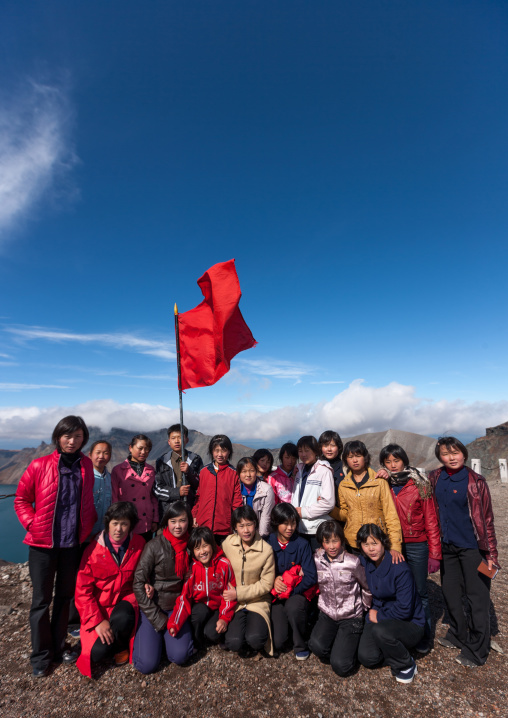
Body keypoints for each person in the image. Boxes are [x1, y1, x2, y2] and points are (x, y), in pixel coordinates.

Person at [14, 415, 97, 677]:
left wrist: (88, 525)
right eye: (67, 436)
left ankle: (59, 645)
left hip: (72, 544)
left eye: (78, 436)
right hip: (43, 545)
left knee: (64, 598)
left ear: (84, 439)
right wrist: (32, 524)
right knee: (40, 601)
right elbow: (21, 499)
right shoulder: (39, 465)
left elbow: (85, 501)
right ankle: (40, 655)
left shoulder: (85, 465)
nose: (72, 441)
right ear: (58, 437)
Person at [429, 436, 499, 667]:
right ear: (440, 457)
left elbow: (486, 520)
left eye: (455, 452)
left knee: (477, 598)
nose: (451, 457)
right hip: (447, 547)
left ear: (464, 453)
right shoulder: (435, 477)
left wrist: (491, 555)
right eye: (446, 454)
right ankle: (458, 634)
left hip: (472, 549)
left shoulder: (476, 481)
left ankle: (478, 650)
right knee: (450, 593)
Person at [380, 443, 441, 653]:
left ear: (404, 460)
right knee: (396, 591)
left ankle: (424, 635)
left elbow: (431, 519)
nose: (393, 465)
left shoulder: (419, 484)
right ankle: (401, 633)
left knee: (420, 591)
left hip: (416, 544)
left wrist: (434, 553)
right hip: (391, 545)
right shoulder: (383, 484)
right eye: (388, 462)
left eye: (396, 460)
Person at [74, 502, 145, 677]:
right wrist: (97, 621)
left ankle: (120, 647)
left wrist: (147, 584)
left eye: (124, 524)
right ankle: (112, 641)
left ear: (131, 526)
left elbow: (144, 573)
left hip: (125, 601)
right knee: (96, 654)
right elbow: (82, 591)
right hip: (99, 608)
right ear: (108, 524)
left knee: (123, 616)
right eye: (115, 523)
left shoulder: (138, 543)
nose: (119, 529)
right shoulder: (93, 550)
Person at [357, 524, 425, 684]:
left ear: (384, 542)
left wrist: (379, 616)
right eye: (366, 544)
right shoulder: (366, 561)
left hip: (409, 622)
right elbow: (345, 557)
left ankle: (405, 663)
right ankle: (392, 648)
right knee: (367, 657)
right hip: (380, 616)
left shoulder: (400, 569)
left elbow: (405, 609)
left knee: (382, 631)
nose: (371, 549)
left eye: (375, 543)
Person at [132, 501, 194, 673]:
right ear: (167, 521)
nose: (178, 526)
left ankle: (166, 642)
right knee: (146, 665)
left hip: (178, 608)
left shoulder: (192, 544)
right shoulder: (154, 545)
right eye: (173, 521)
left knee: (180, 656)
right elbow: (138, 583)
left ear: (189, 521)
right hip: (155, 607)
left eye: (182, 521)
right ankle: (155, 640)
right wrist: (158, 618)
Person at [309, 519, 371, 676]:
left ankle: (350, 645)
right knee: (316, 646)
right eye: (326, 542)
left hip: (350, 616)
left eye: (335, 541)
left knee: (341, 667)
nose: (331, 546)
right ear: (321, 543)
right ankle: (340, 643)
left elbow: (366, 587)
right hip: (328, 613)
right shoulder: (317, 559)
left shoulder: (352, 562)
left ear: (341, 540)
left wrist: (362, 608)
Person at [68, 439, 114, 637]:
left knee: (94, 578)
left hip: (101, 536)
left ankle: (93, 616)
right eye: (98, 452)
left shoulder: (109, 477)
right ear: (90, 453)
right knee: (77, 578)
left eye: (105, 453)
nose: (101, 456)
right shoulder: (83, 474)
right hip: (83, 535)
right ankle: (73, 622)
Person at [166, 526, 237, 648]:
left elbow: (230, 595)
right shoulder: (192, 568)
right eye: (197, 548)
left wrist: (224, 618)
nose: (202, 552)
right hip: (200, 608)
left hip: (218, 608)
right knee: (199, 612)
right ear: (193, 551)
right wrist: (174, 623)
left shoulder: (224, 565)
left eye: (205, 546)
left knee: (212, 634)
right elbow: (184, 598)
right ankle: (197, 643)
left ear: (212, 545)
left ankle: (212, 634)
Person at [332, 440, 403, 559]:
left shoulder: (379, 482)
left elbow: (390, 514)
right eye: (350, 457)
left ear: (365, 457)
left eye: (358, 456)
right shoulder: (344, 485)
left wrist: (395, 546)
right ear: (345, 460)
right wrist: (330, 509)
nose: (355, 460)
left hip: (376, 541)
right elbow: (345, 514)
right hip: (353, 543)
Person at [222, 505, 275, 656]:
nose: (246, 530)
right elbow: (220, 569)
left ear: (255, 525)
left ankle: (253, 635)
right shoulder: (228, 544)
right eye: (241, 526)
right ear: (235, 528)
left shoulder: (266, 550)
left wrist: (238, 593)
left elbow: (266, 584)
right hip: (235, 603)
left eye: (249, 525)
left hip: (257, 601)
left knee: (256, 639)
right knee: (233, 642)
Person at [268, 503, 317, 660]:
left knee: (295, 608)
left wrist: (292, 591)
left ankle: (300, 644)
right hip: (275, 594)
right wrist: (273, 580)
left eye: (293, 523)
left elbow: (311, 576)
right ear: (276, 523)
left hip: (297, 592)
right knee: (279, 641)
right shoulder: (267, 542)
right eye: (285, 523)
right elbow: (259, 571)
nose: (290, 528)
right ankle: (287, 630)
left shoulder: (302, 544)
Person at [192, 434, 242, 546]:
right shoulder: (204, 471)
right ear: (211, 451)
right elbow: (199, 496)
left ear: (229, 452)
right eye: (216, 450)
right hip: (203, 524)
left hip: (224, 527)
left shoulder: (233, 474)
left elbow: (237, 502)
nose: (220, 454)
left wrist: (238, 523)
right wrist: (194, 514)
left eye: (223, 450)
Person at [290, 435, 335, 552]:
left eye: (307, 450)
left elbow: (328, 503)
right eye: (300, 451)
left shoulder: (324, 471)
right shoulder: (300, 470)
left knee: (318, 565)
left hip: (316, 530)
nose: (303, 454)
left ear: (315, 451)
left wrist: (303, 512)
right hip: (298, 527)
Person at [111, 435, 158, 542]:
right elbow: (114, 497)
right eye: (140, 448)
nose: (143, 452)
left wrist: (155, 519)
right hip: (126, 519)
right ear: (130, 448)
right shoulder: (118, 470)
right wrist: (117, 519)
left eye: (147, 449)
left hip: (146, 520)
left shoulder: (151, 470)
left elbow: (153, 497)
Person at [153, 424, 203, 518]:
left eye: (180, 437)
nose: (177, 441)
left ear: (187, 440)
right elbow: (157, 490)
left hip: (190, 511)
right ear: (169, 441)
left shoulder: (195, 459)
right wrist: (177, 492)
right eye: (173, 438)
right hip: (168, 512)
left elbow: (201, 485)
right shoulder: (162, 461)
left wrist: (189, 472)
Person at [238, 457, 275, 539]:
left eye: (251, 471)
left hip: (259, 535)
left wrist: (260, 538)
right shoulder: (236, 489)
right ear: (239, 473)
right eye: (244, 471)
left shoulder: (266, 490)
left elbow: (266, 517)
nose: (248, 475)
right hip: (240, 535)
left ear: (256, 471)